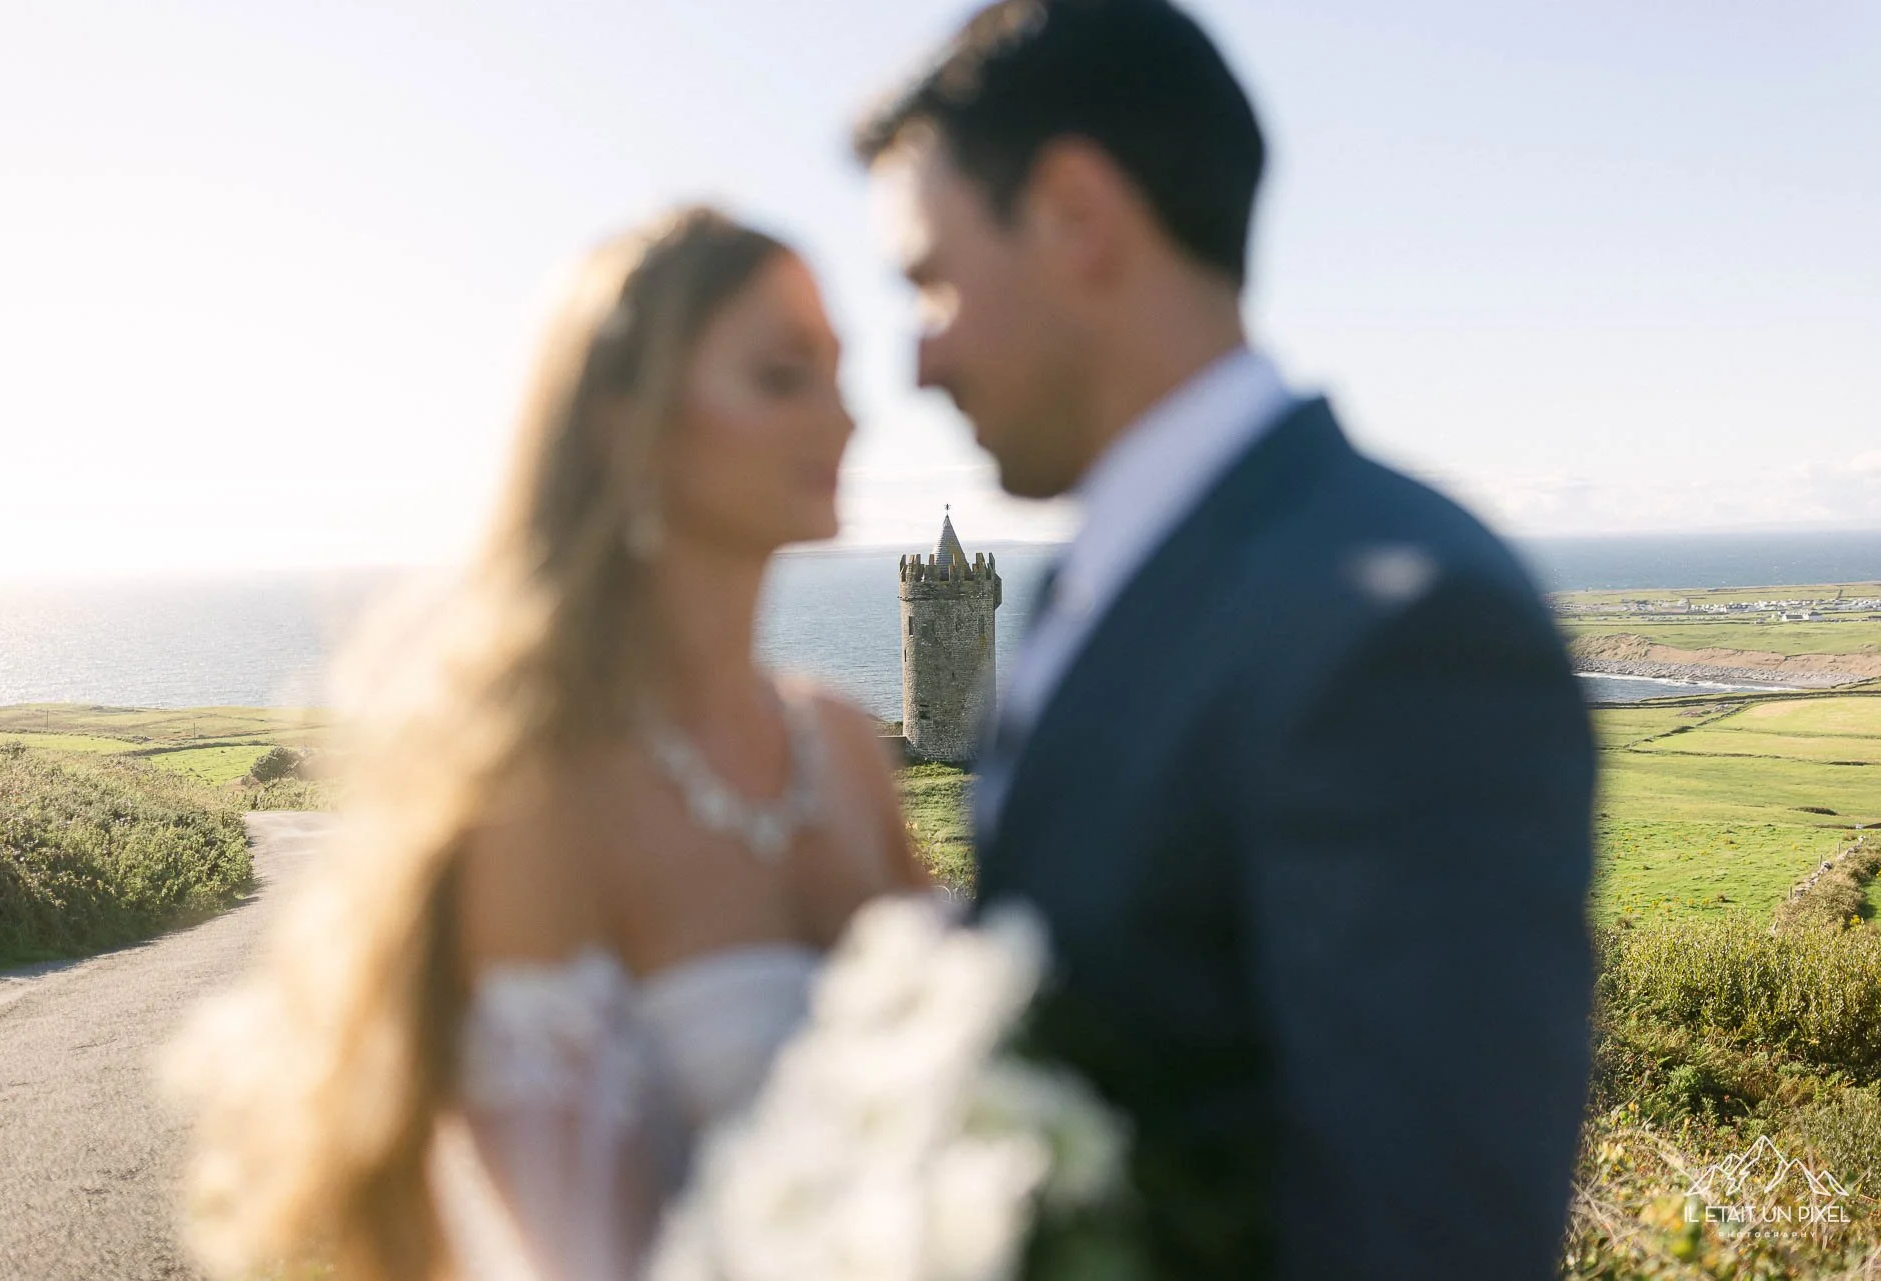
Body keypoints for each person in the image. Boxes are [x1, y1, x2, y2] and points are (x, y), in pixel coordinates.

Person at [855, 2, 1597, 1277]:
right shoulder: (1110, 581)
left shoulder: (1405, 627)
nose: (919, 360)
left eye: (930, 277)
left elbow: (1430, 1238)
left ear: (1078, 217)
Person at [172, 208, 927, 1281]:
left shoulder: (841, 744)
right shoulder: (540, 797)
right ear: (631, 423)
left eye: (840, 372)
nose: (846, 418)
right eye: (780, 375)